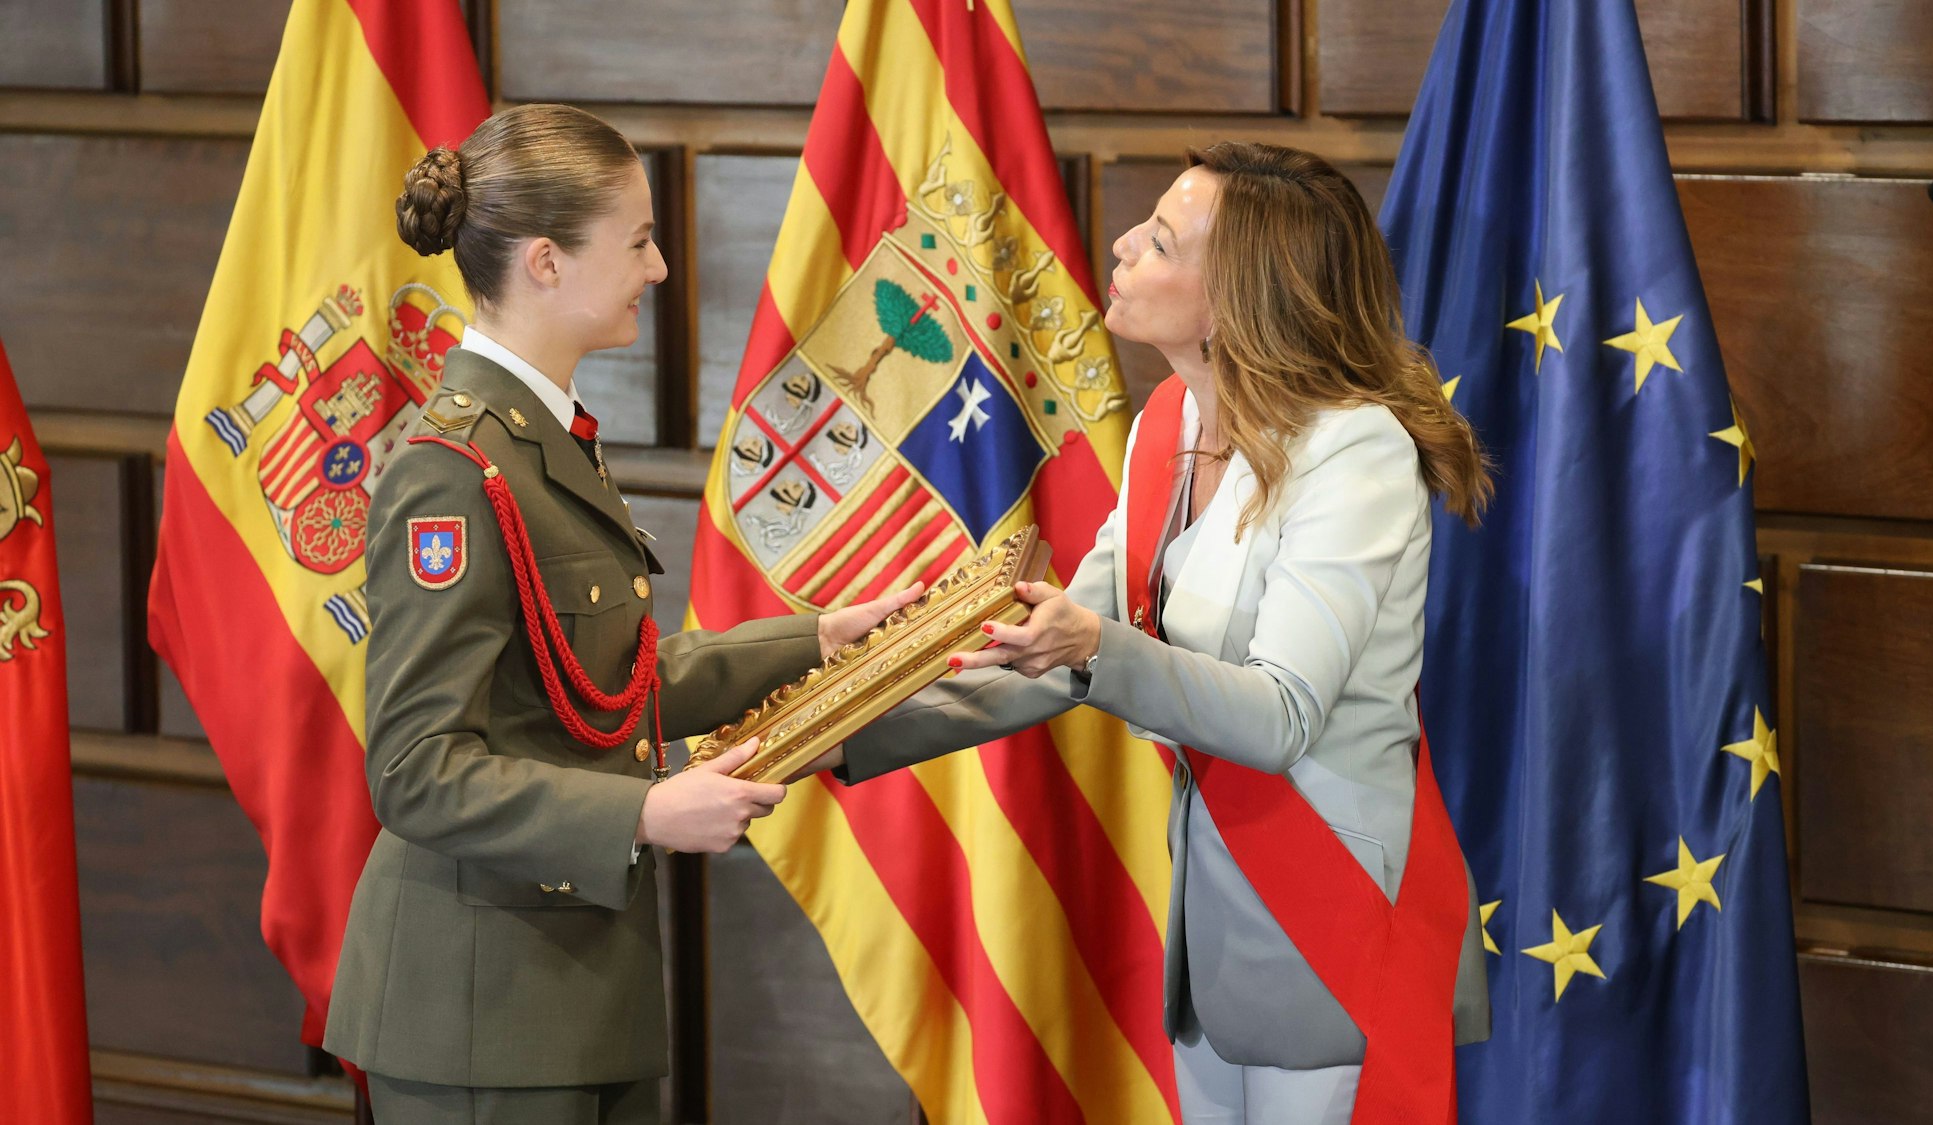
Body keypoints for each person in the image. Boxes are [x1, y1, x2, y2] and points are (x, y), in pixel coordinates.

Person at [814, 142, 1494, 1124]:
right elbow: (1050, 656)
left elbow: (1277, 717)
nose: (1122, 244)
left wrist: (1092, 644)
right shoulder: (1167, 421)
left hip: (1330, 912)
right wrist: (845, 729)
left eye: (1160, 239)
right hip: (1215, 926)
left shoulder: (1352, 447)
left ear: (1239, 294)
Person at [321, 104, 914, 1125]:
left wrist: (816, 638)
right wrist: (644, 812)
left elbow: (595, 683)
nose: (659, 269)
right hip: (481, 1013)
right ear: (545, 263)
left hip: (575, 993)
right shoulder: (454, 472)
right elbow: (415, 772)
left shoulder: (540, 437)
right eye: (637, 240)